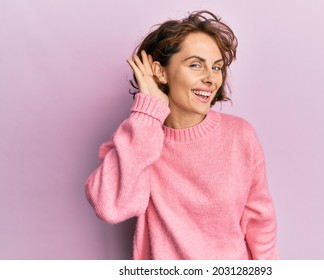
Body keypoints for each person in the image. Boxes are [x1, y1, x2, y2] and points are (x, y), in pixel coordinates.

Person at [85, 10, 279, 260]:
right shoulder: (139, 137)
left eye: (217, 67)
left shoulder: (240, 135)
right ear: (161, 72)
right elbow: (110, 207)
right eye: (196, 65)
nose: (210, 78)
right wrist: (147, 115)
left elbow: (260, 224)